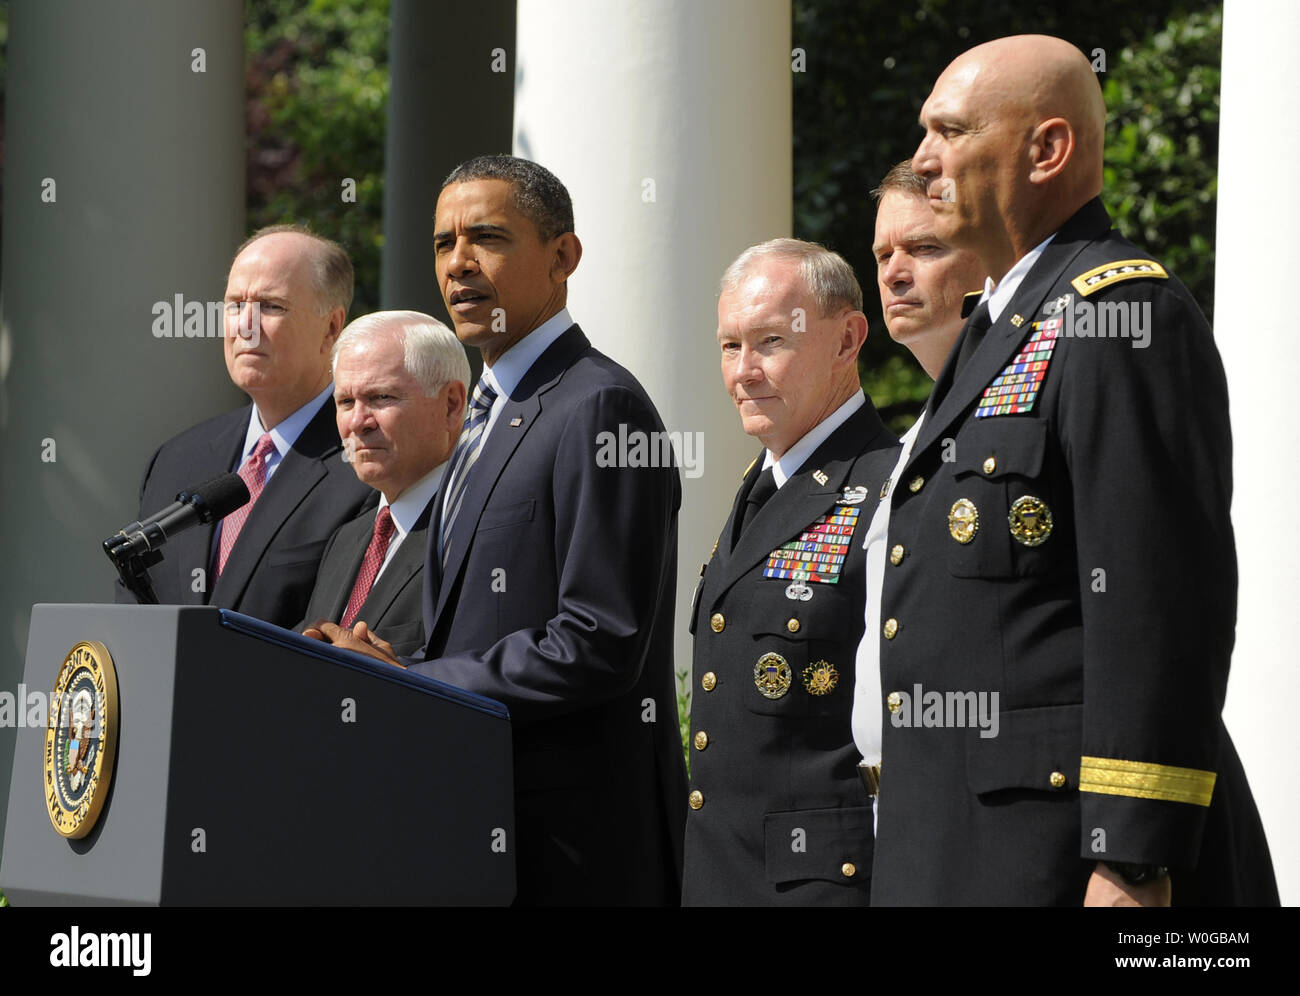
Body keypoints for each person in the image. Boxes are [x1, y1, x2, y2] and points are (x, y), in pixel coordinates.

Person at [870, 34, 1278, 906]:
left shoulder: (1119, 315)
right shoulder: (1002, 329)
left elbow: (1159, 606)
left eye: (948, 131)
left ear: (1046, 150)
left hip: (1062, 858)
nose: (922, 158)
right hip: (962, 844)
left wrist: (1132, 858)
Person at [309, 156, 687, 906]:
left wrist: (414, 682)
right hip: (486, 834)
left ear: (562, 257)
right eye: (444, 243)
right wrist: (386, 661)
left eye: (487, 237)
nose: (459, 264)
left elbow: (599, 638)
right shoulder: (489, 416)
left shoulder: (599, 408)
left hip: (578, 852)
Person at [682, 239, 898, 906]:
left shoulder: (890, 486)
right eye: (729, 346)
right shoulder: (760, 486)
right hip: (726, 874)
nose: (744, 371)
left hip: (820, 885)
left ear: (846, 340)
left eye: (770, 341)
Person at [117, 226, 373, 629]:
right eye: (235, 304)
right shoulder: (176, 459)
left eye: (271, 306)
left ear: (332, 327)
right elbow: (133, 609)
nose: (245, 326)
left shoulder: (368, 463)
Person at [852, 164, 986, 811]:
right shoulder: (911, 444)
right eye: (883, 254)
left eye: (925, 248)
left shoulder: (1027, 415)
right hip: (909, 813)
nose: (894, 272)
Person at [298, 311, 468, 657]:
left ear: (451, 404)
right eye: (346, 401)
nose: (358, 422)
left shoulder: (477, 530)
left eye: (381, 398)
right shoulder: (346, 539)